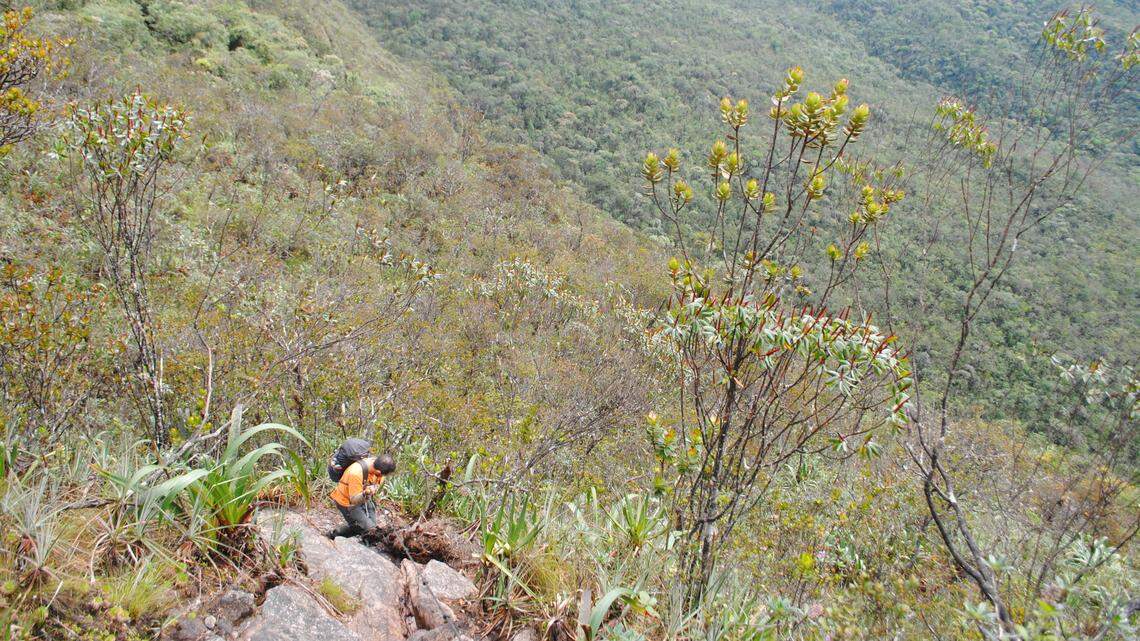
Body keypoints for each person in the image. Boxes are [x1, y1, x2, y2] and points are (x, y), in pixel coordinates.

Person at [328, 453, 396, 539]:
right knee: (368, 529)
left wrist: (372, 490)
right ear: (379, 472)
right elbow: (354, 500)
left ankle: (339, 532)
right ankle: (334, 534)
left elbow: (377, 484)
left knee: (373, 528)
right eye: (384, 475)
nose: (383, 477)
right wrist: (366, 493)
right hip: (347, 501)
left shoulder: (378, 466)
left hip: (365, 499)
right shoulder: (356, 473)